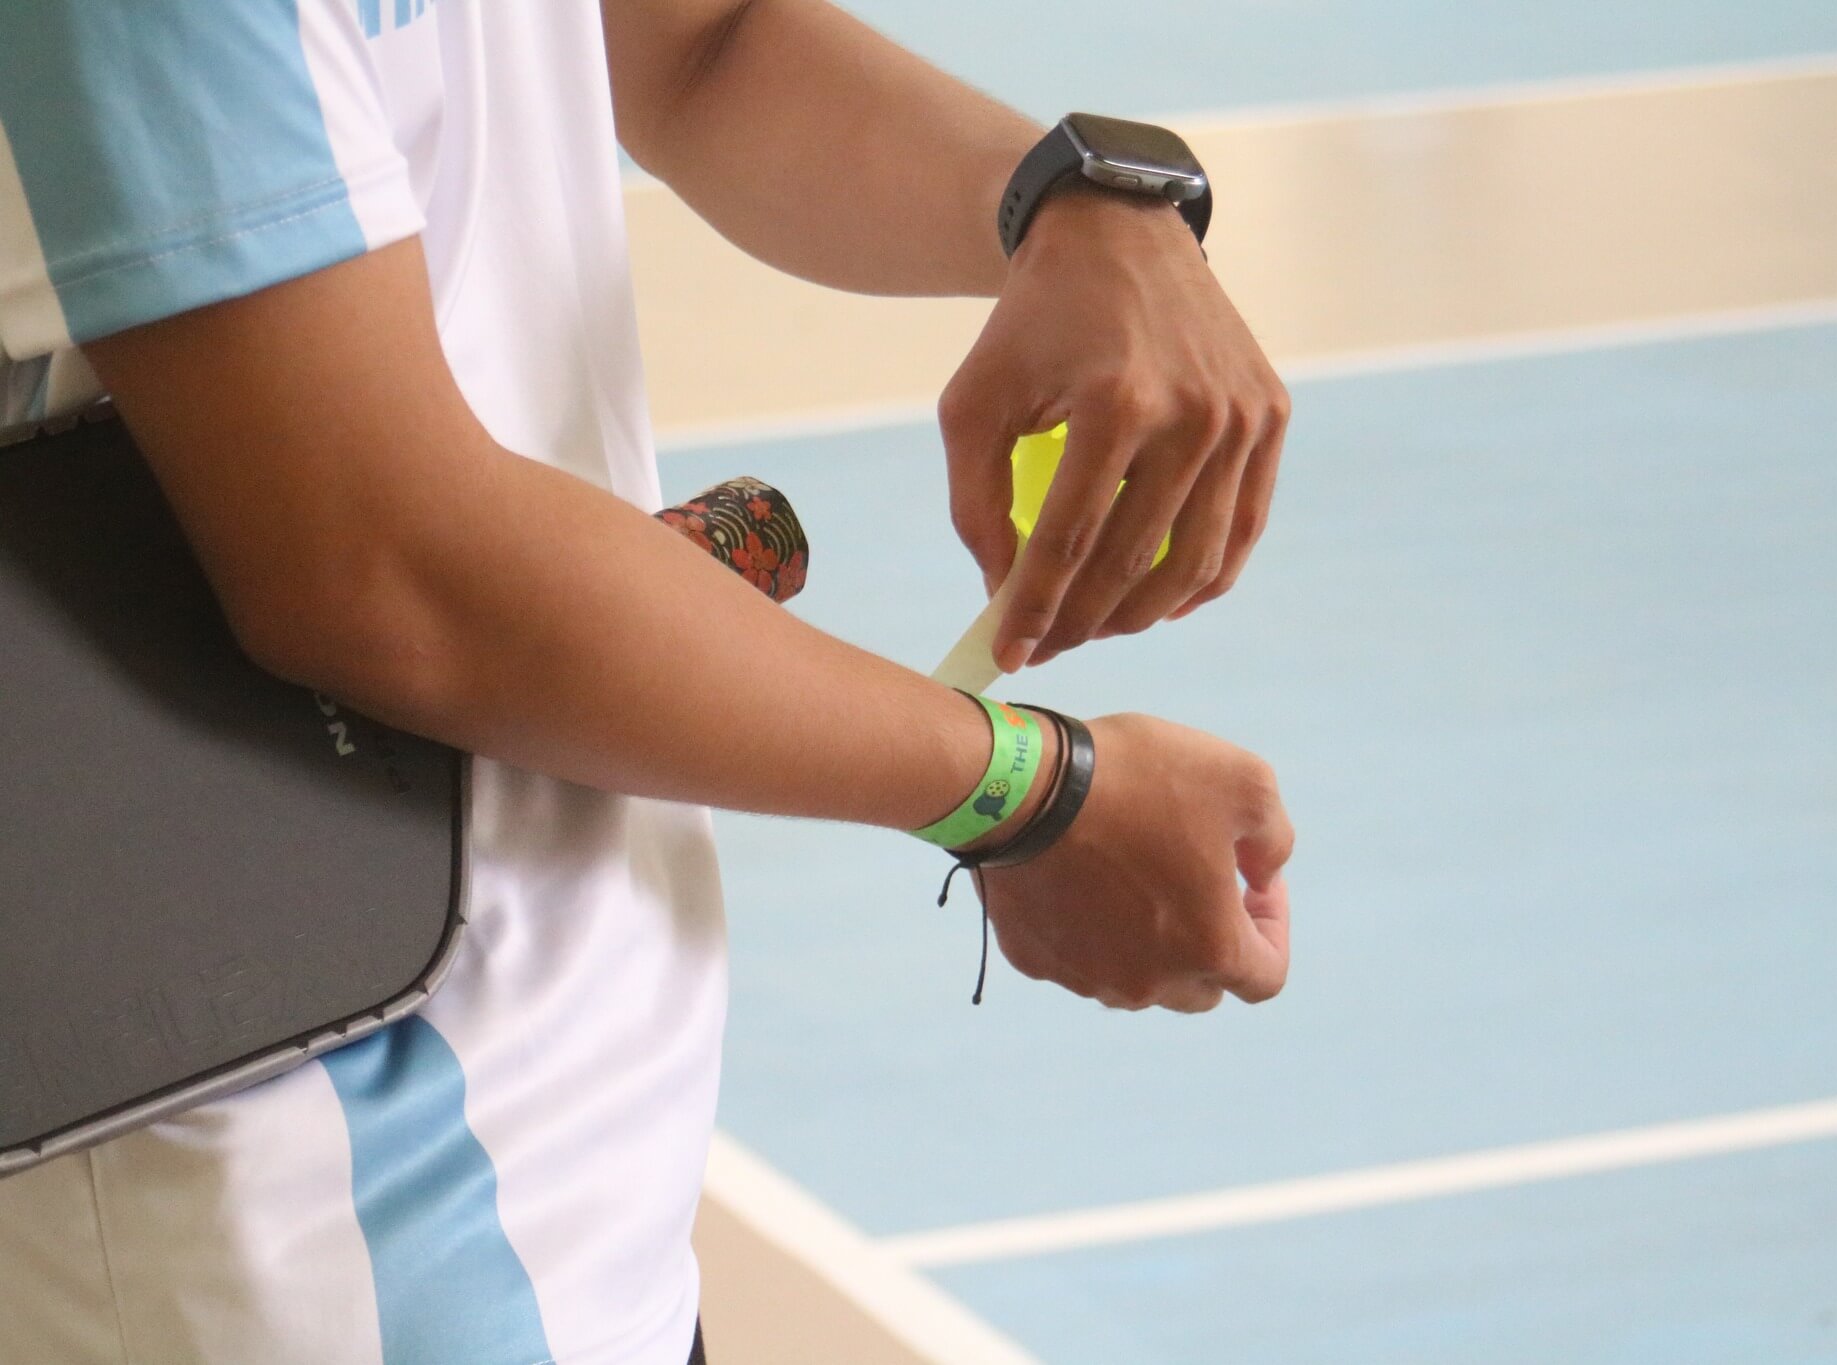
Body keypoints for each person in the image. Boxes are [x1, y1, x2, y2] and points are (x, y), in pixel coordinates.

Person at [0, 0, 1296, 1360]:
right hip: (293, 1220)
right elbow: (380, 568)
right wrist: (1019, 790)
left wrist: (1068, 201)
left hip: (569, 1154)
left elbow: (699, 43)